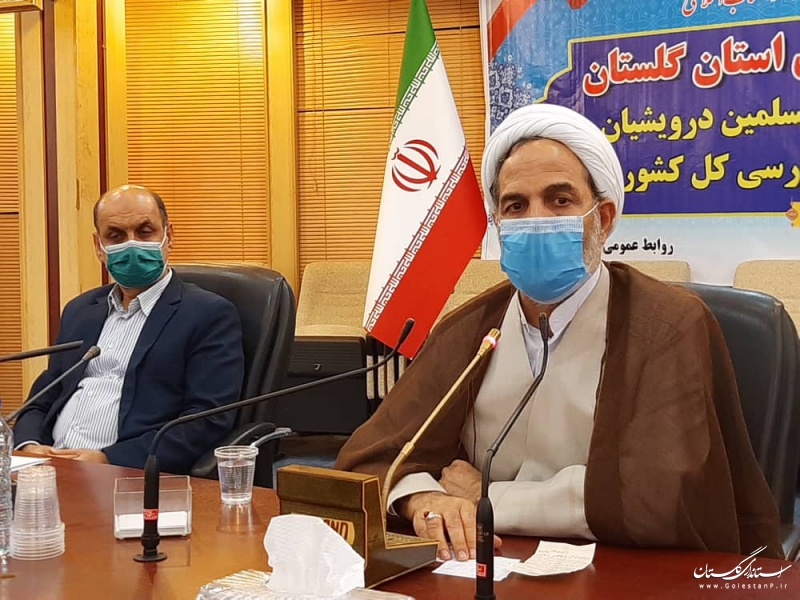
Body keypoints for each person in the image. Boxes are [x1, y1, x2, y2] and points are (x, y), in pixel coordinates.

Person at [336, 104, 782, 561]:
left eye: (560, 200)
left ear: (603, 218)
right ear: (498, 225)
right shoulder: (471, 329)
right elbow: (371, 459)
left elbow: (659, 492)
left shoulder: (668, 324)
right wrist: (423, 499)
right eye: (515, 206)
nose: (536, 219)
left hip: (624, 569)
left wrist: (488, 500)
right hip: (488, 563)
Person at [14, 185, 245, 474]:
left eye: (145, 232)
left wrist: (109, 459)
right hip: (48, 468)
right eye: (116, 236)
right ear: (99, 246)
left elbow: (207, 419)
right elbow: (43, 397)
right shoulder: (80, 310)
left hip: (126, 474)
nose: (132, 245)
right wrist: (29, 445)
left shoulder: (209, 314)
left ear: (169, 236)